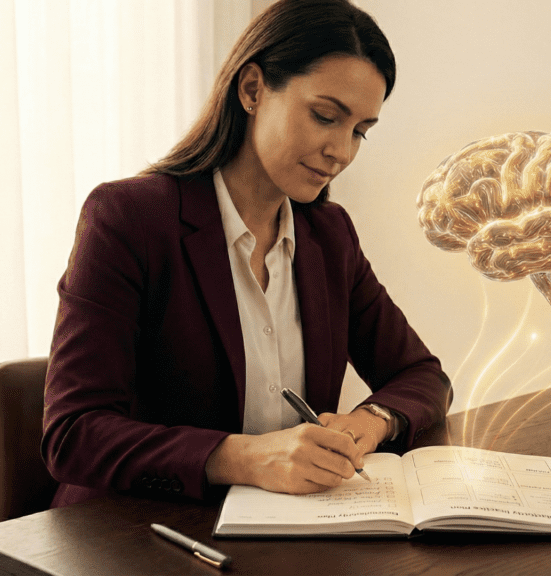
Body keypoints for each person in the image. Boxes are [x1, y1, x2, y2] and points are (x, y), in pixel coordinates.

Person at [42, 0, 452, 508]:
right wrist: (245, 457)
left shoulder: (329, 236)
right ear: (253, 89)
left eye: (360, 132)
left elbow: (422, 375)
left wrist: (369, 421)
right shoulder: (128, 219)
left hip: (284, 534)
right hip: (138, 533)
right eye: (325, 116)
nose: (342, 151)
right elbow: (74, 433)